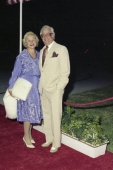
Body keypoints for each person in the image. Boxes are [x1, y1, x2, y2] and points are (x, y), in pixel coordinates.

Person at [39, 25, 70, 153]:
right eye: (43, 35)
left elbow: (65, 72)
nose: (46, 37)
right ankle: (49, 138)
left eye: (48, 34)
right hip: (43, 89)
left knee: (56, 116)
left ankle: (56, 143)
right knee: (47, 115)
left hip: (55, 89)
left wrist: (59, 88)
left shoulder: (61, 49)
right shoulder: (41, 51)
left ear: (53, 35)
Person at [8, 31, 42, 149]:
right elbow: (15, 72)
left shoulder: (40, 54)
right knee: (27, 114)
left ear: (37, 41)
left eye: (33, 39)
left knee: (33, 113)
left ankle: (28, 134)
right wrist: (11, 87)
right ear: (25, 43)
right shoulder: (21, 56)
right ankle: (26, 137)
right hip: (25, 88)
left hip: (37, 87)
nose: (31, 42)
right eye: (29, 40)